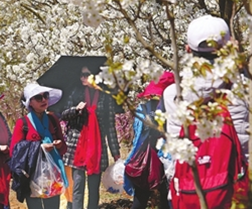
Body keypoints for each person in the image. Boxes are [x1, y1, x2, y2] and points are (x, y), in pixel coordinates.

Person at [161, 15, 246, 208]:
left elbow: (175, 149)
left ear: (188, 50)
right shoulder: (243, 90)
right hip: (233, 192)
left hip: (189, 192)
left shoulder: (174, 93)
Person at [60, 67, 120, 209]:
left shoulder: (105, 97)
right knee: (78, 187)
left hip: (97, 147)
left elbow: (110, 126)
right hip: (77, 147)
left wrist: (115, 152)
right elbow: (64, 115)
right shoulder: (76, 93)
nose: (82, 78)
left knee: (94, 189)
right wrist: (75, 110)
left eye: (86, 75)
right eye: (81, 75)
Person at [10, 83, 68, 209]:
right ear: (30, 102)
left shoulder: (53, 119)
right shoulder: (23, 123)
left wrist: (58, 146)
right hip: (32, 174)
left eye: (45, 96)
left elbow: (64, 148)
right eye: (38, 97)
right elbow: (14, 151)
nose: (44, 100)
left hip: (52, 172)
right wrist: (40, 147)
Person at [124, 72, 173, 209]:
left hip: (145, 158)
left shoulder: (143, 108)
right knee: (166, 200)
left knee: (140, 199)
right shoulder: (172, 109)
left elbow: (137, 136)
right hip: (166, 160)